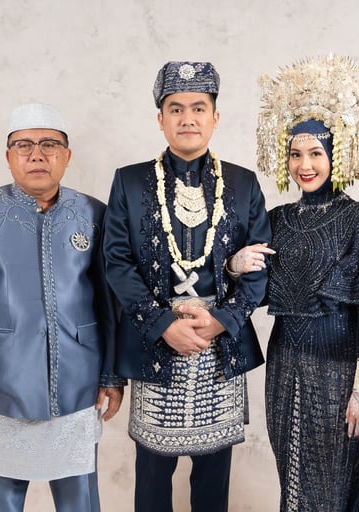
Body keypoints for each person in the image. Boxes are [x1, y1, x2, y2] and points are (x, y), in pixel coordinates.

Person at [102, 61, 271, 512]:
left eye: (199, 108)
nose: (188, 118)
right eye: (176, 109)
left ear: (216, 116)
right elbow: (116, 262)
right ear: (160, 119)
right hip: (154, 339)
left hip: (220, 344)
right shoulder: (130, 181)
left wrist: (221, 320)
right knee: (152, 478)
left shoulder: (243, 183)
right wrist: (163, 324)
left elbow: (259, 266)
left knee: (214, 479)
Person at [230, 54, 359, 511]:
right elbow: (248, 291)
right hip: (285, 367)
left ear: (336, 155)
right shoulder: (276, 220)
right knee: (294, 484)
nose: (305, 165)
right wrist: (234, 266)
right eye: (296, 154)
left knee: (335, 488)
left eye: (316, 153)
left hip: (342, 371)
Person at [0, 103, 124, 512]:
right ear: (8, 156)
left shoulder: (94, 214)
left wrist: (112, 375)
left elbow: (108, 303)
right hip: (2, 386)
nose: (37, 155)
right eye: (23, 145)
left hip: (79, 382)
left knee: (80, 500)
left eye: (49, 144)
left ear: (67, 155)